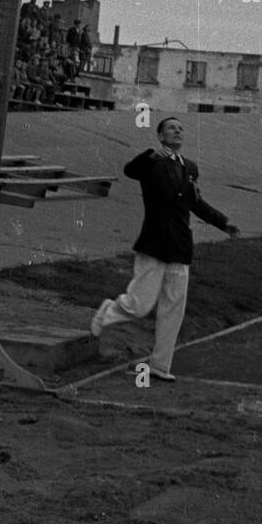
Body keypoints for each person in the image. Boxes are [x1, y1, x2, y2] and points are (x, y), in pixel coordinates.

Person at [90, 116, 239, 381]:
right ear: (161, 136)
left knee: (173, 309)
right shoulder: (151, 163)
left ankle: (160, 365)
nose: (177, 131)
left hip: (180, 245)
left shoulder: (190, 167)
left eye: (181, 128)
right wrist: (149, 155)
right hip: (155, 241)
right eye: (171, 128)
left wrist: (224, 223)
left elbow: (197, 204)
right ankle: (109, 311)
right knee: (141, 303)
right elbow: (129, 171)